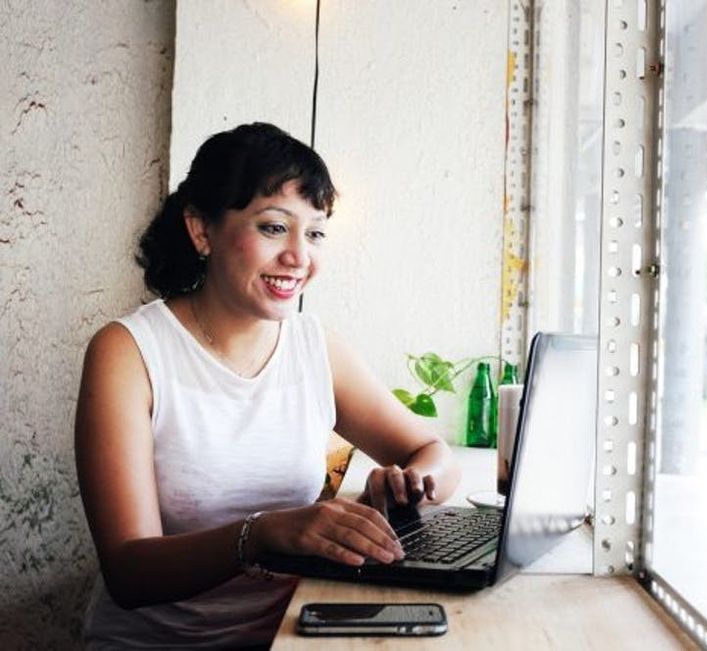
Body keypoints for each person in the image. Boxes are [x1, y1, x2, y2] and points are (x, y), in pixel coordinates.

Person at [74, 122, 461, 648]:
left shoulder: (313, 346)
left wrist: (412, 485)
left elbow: (434, 453)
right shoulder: (128, 352)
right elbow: (128, 572)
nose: (299, 257)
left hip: (290, 635)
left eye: (315, 233)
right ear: (201, 230)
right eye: (275, 227)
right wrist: (262, 533)